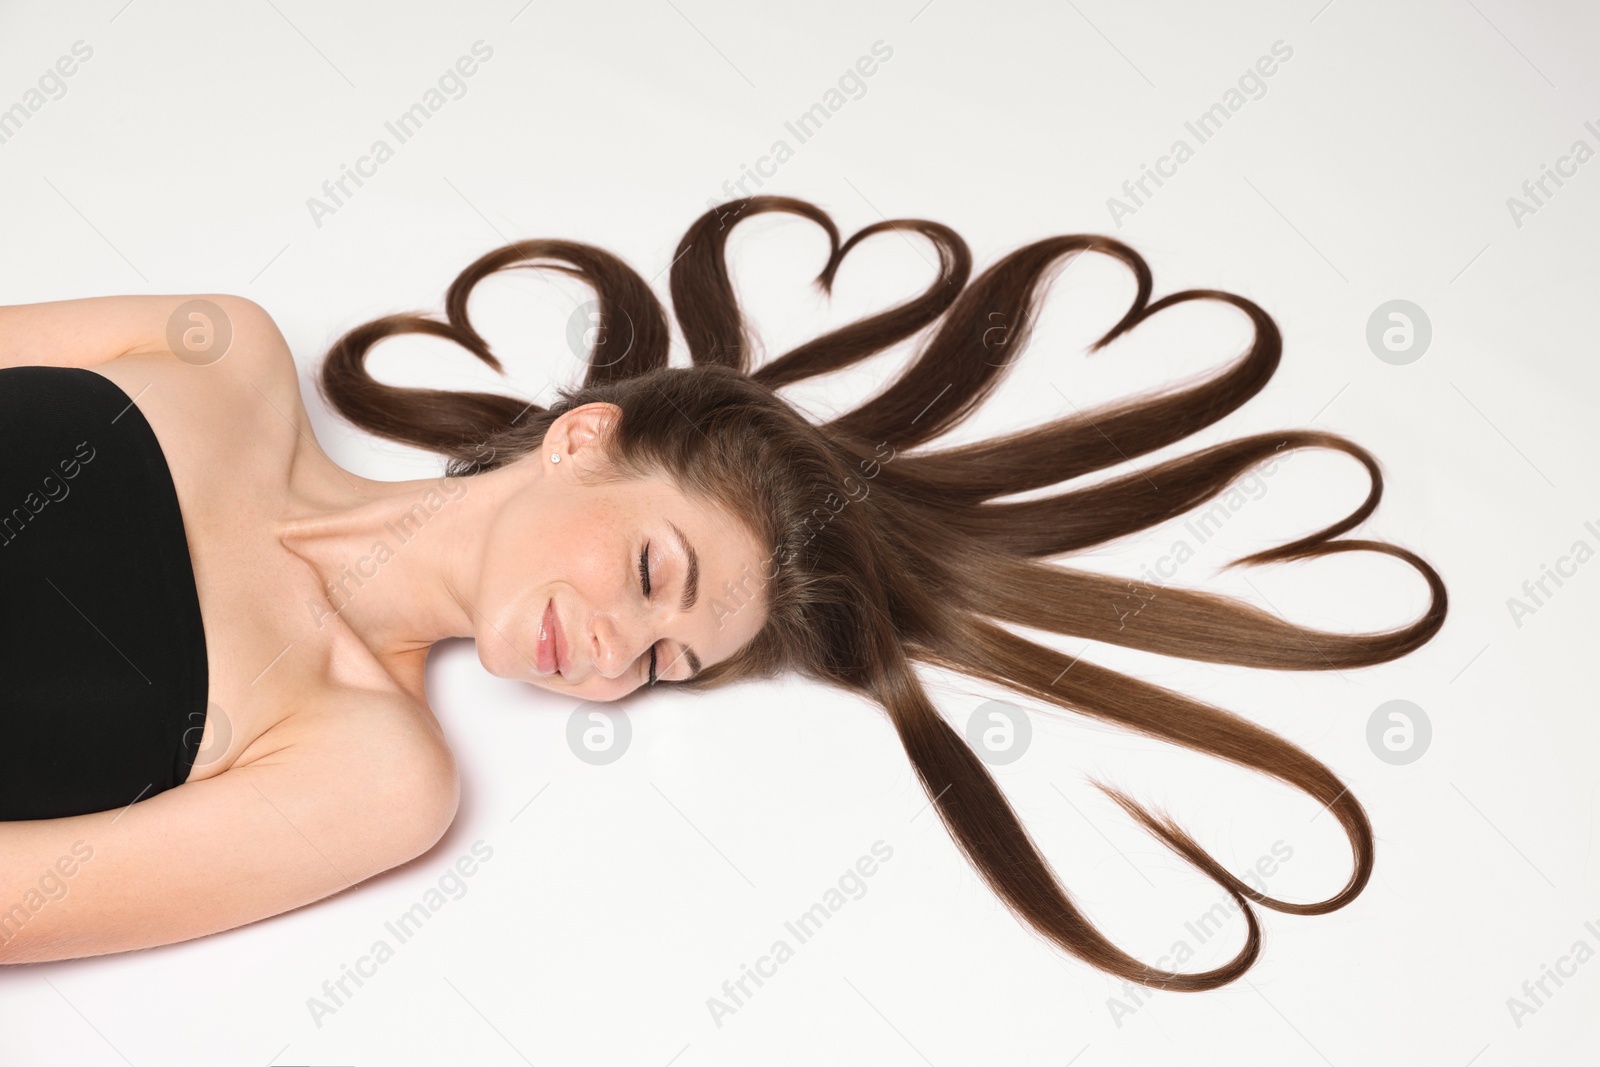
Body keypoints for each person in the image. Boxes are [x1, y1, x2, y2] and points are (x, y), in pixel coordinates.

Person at [0, 196, 1446, 989]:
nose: (622, 649)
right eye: (653, 572)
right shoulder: (221, 352)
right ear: (583, 441)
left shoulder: (368, 769)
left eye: (671, 659)